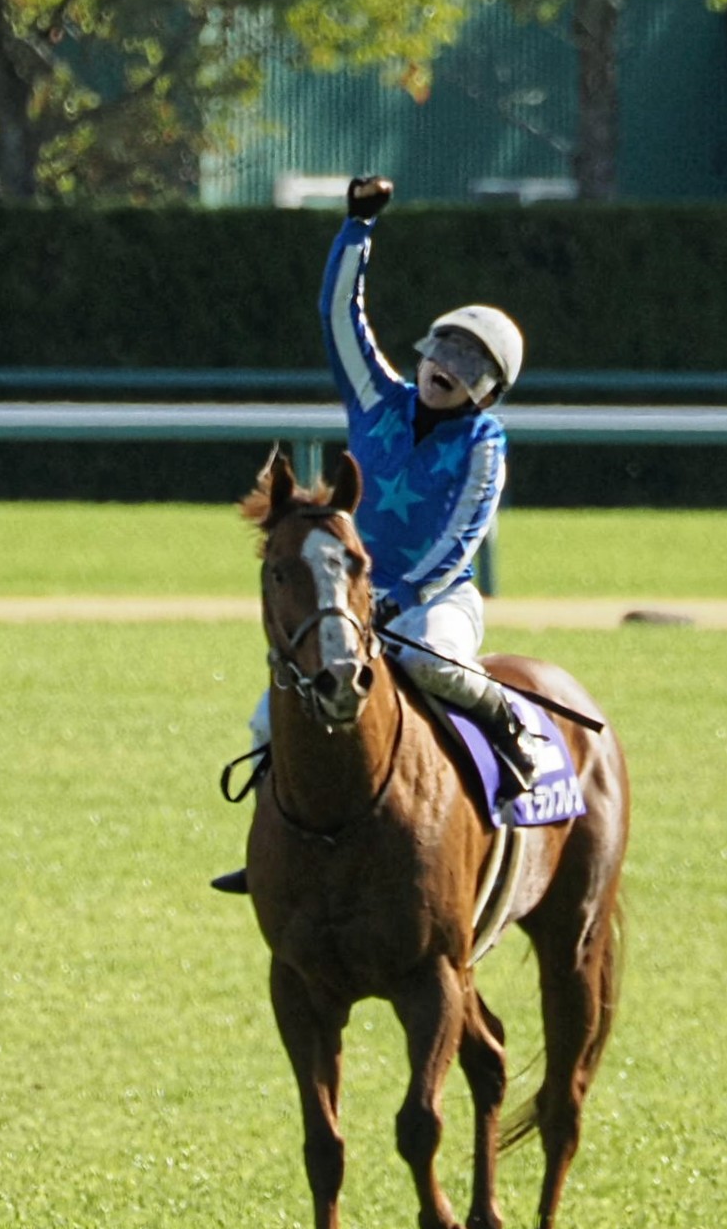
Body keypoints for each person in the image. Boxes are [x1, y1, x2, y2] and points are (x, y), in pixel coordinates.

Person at [212, 173, 538, 896]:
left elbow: (463, 535)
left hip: (435, 600)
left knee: (436, 668)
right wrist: (357, 230)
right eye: (444, 354)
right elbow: (338, 317)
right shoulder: (376, 395)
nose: (447, 371)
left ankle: (512, 732)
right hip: (350, 596)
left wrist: (400, 598)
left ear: (488, 390)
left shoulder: (485, 442)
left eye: (468, 368)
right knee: (272, 715)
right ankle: (273, 849)